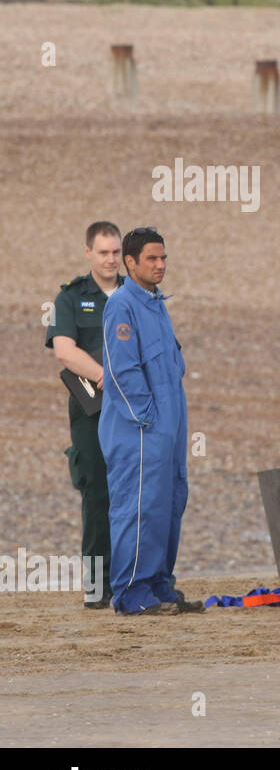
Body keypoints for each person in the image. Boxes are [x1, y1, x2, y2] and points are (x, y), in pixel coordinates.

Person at [100, 228, 201, 615]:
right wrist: (148, 419)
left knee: (170, 501)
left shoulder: (156, 303)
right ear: (130, 262)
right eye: (152, 259)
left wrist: (169, 424)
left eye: (163, 259)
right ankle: (131, 592)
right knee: (138, 505)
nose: (160, 266)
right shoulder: (122, 305)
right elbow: (122, 372)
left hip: (170, 424)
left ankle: (159, 583)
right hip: (139, 428)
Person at [45, 222, 123, 608]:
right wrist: (104, 377)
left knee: (139, 493)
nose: (110, 259)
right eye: (103, 252)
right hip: (92, 409)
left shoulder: (138, 293)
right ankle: (97, 587)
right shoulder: (72, 297)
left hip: (134, 410)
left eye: (115, 252)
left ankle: (135, 582)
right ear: (88, 252)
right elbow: (64, 350)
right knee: (97, 495)